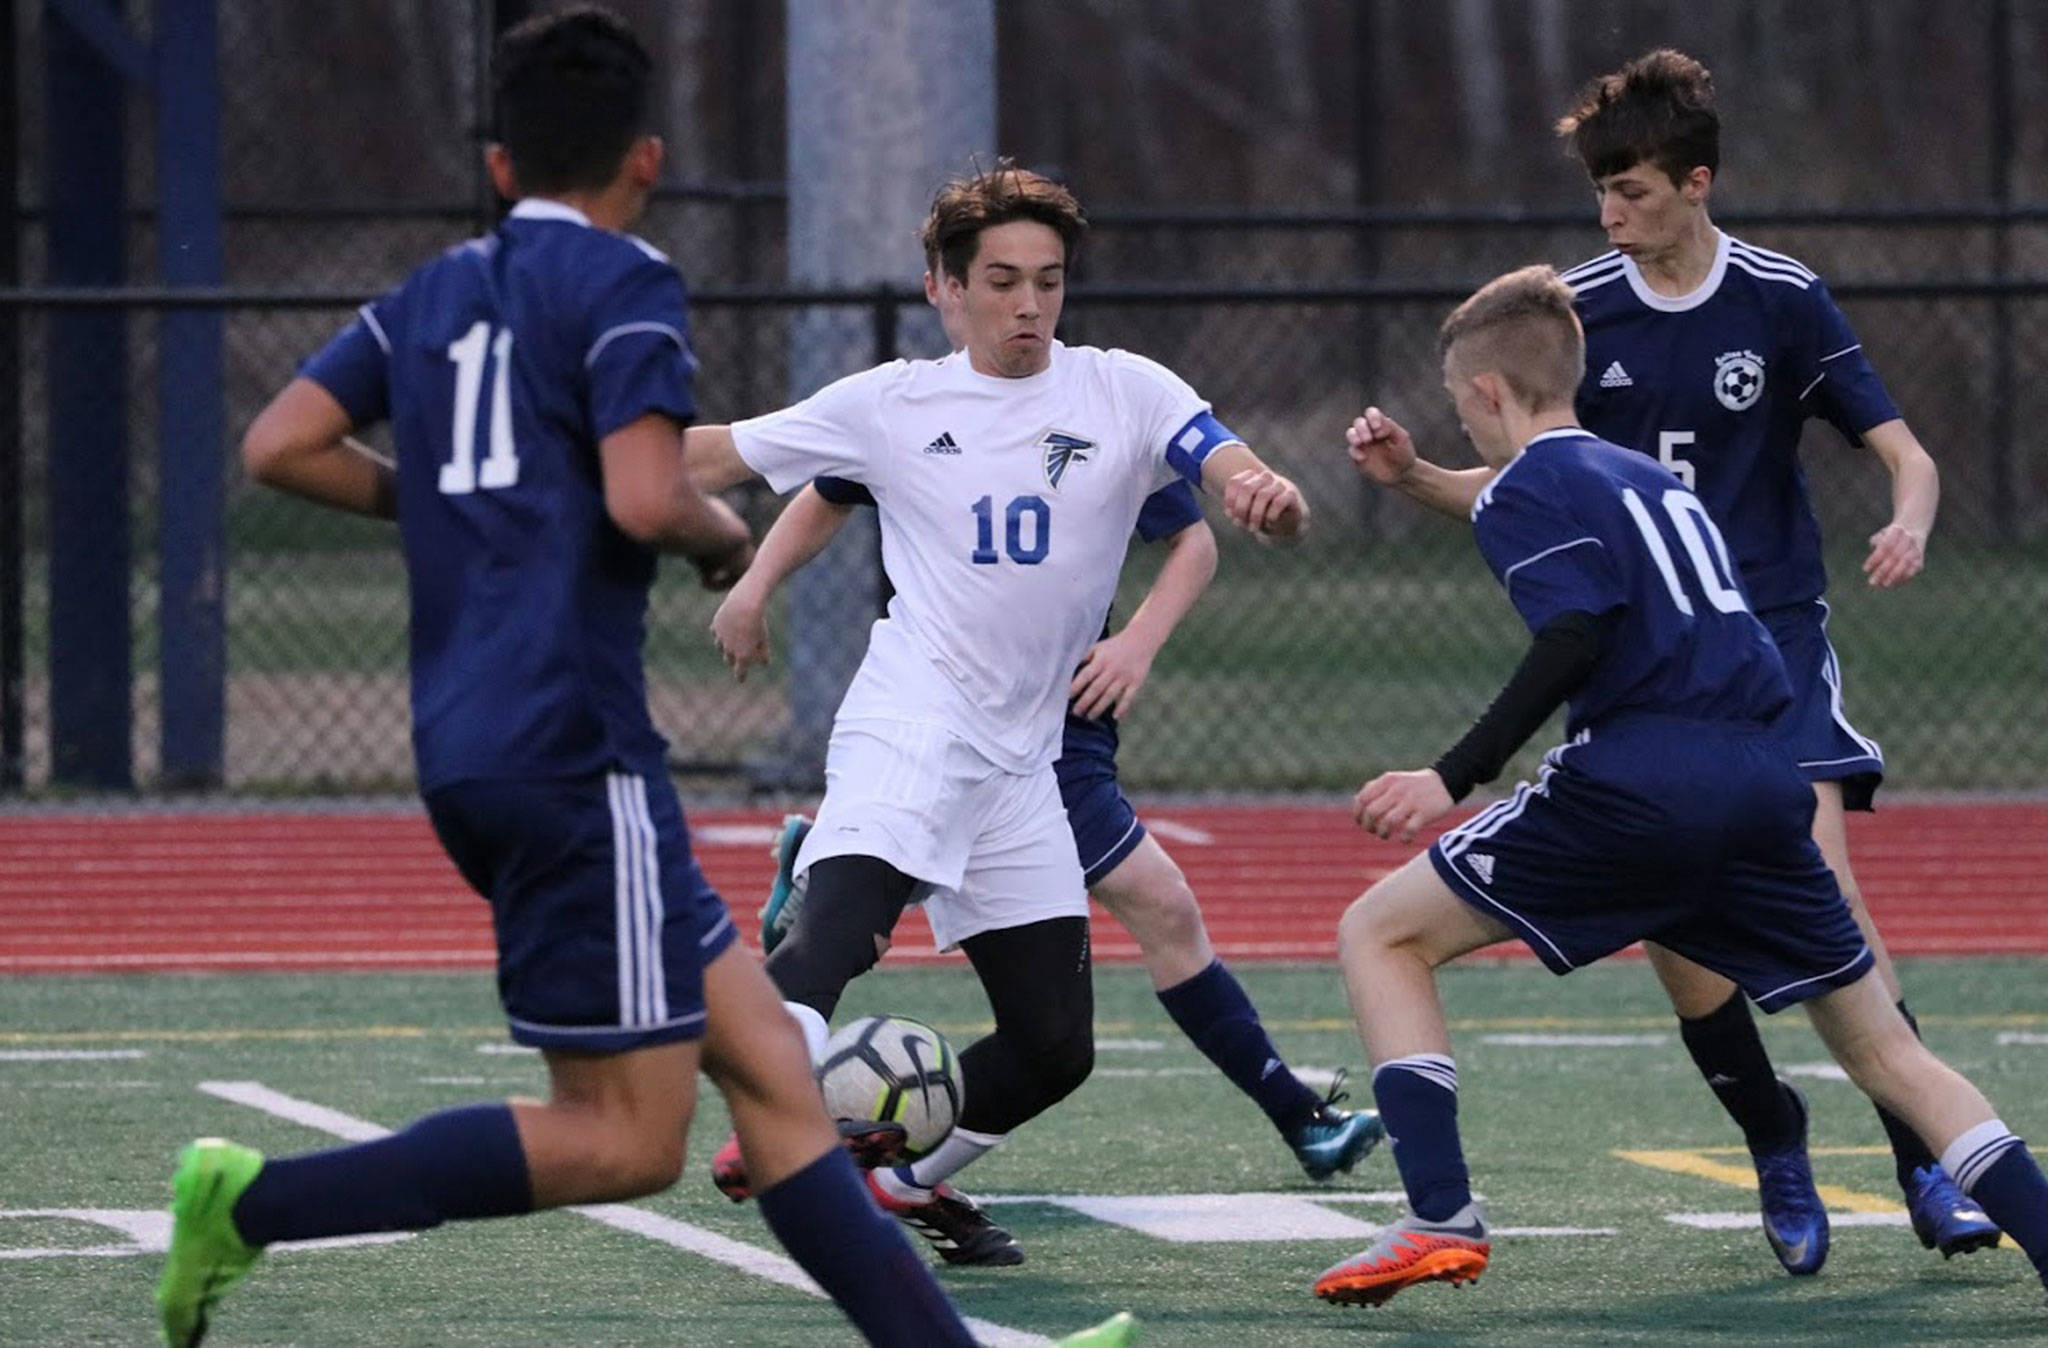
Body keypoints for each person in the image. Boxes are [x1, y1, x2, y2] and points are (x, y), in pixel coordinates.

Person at [156, 12, 1132, 1348]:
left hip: (476, 742)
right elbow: (642, 491)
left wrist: (448, 505)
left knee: (781, 1084)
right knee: (623, 1144)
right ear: (647, 160)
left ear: (501, 164)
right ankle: (255, 1203)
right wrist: (719, 537)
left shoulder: (433, 290)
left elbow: (279, 442)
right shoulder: (622, 282)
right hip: (572, 753)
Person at [1342, 47, 1991, 1275]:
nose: (1609, 217)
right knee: (1685, 958)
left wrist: (1907, 516)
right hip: (1648, 672)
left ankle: (1926, 1170)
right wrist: (1418, 476)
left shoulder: (1780, 297)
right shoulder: (1582, 309)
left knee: (1832, 901)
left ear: (1694, 181)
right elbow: (1548, 486)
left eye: (1630, 191)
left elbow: (1902, 450)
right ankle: (1772, 1139)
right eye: (1598, 193)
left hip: (1771, 649)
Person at [681, 161, 1311, 1266]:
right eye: (1003, 281)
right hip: (913, 721)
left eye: (1049, 281)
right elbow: (715, 455)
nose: (1028, 305)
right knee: (837, 939)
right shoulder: (890, 403)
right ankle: (779, 1133)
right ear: (943, 288)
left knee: (1055, 1045)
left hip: (1025, 760)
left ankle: (889, 1170)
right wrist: (581, 449)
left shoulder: (1122, 388)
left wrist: (1263, 486)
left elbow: (1222, 461)